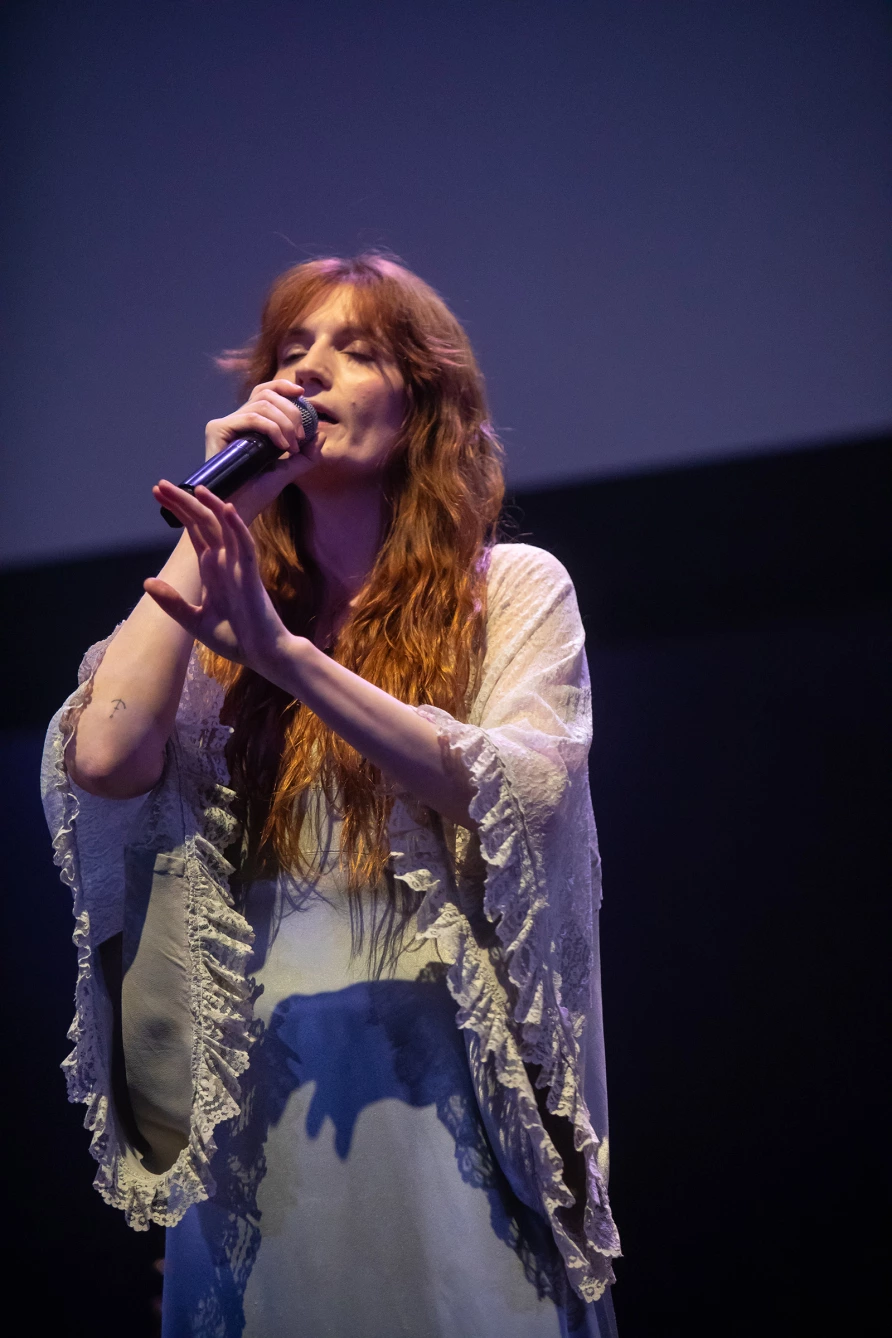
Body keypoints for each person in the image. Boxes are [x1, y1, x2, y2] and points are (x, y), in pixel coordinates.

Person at [41, 254, 621, 1337]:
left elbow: (512, 788)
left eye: (355, 351)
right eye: (291, 354)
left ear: (424, 404)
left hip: (440, 1094)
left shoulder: (513, 590)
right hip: (267, 1100)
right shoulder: (215, 624)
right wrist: (216, 522)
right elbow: (106, 760)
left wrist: (284, 654)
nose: (311, 374)